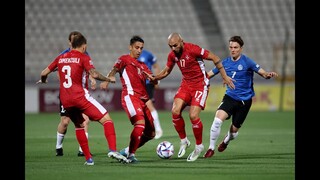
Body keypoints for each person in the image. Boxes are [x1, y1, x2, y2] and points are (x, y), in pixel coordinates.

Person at [37, 32, 129, 165]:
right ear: (83, 46)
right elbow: (94, 74)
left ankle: (89, 159)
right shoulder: (83, 57)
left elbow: (43, 73)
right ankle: (112, 150)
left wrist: (44, 81)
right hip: (79, 96)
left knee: (79, 126)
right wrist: (108, 79)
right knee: (106, 119)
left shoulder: (60, 58)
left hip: (66, 99)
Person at [148, 32, 235, 162]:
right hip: (186, 85)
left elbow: (215, 58)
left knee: (193, 116)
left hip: (200, 84)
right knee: (175, 111)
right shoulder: (172, 55)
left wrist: (224, 76)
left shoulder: (193, 49)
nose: (173, 48)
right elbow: (166, 71)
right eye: (170, 46)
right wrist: (155, 77)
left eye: (175, 45)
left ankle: (199, 146)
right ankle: (184, 141)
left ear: (181, 41)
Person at [203, 36, 278, 158]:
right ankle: (211, 148)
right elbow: (208, 75)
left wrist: (268, 74)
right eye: (231, 47)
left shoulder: (248, 62)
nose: (233, 50)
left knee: (233, 133)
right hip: (230, 97)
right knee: (217, 121)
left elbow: (263, 73)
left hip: (245, 102)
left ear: (241, 48)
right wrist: (197, 78)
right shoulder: (224, 63)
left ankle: (226, 140)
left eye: (236, 47)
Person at [100, 35, 158, 163]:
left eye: (141, 48)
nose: (139, 50)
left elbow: (152, 78)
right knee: (140, 124)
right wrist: (107, 80)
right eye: (137, 47)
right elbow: (114, 69)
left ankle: (126, 151)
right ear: (130, 47)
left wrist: (155, 79)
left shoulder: (142, 65)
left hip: (143, 100)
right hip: (130, 97)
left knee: (151, 134)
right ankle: (131, 155)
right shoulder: (124, 59)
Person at [55, 31, 94, 157]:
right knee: (65, 122)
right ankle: (59, 147)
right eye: (73, 40)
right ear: (69, 42)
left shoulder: (85, 54)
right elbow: (56, 70)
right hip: (67, 93)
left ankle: (82, 150)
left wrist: (92, 79)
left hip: (81, 93)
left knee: (85, 120)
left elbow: (89, 69)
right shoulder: (63, 55)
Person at [137, 49, 163, 139]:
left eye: (140, 47)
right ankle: (147, 130)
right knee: (141, 109)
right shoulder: (131, 57)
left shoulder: (147, 54)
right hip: (137, 85)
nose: (139, 49)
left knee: (149, 106)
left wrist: (157, 80)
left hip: (148, 84)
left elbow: (156, 66)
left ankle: (158, 129)